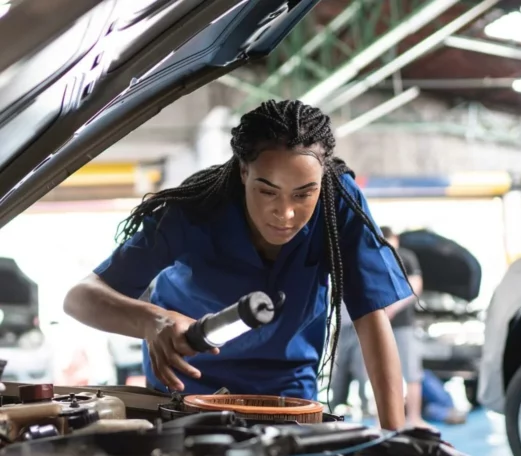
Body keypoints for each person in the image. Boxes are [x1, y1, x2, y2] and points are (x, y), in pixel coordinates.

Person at [63, 99, 412, 430]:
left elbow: (370, 317)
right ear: (244, 172)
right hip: (187, 392)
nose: (286, 213)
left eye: (304, 193)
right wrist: (152, 322)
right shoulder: (194, 210)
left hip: (287, 398)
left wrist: (394, 436)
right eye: (267, 191)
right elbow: (80, 298)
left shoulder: (338, 202)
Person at [380, 226, 426, 428]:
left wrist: (393, 308)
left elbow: (415, 286)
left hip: (403, 325)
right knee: (385, 374)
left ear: (395, 239)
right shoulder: (377, 257)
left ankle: (414, 418)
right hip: (383, 326)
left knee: (411, 373)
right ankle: (385, 419)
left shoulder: (406, 256)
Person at [330, 302, 370, 415]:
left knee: (360, 369)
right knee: (341, 369)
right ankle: (335, 405)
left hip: (360, 322)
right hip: (344, 325)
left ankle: (366, 407)